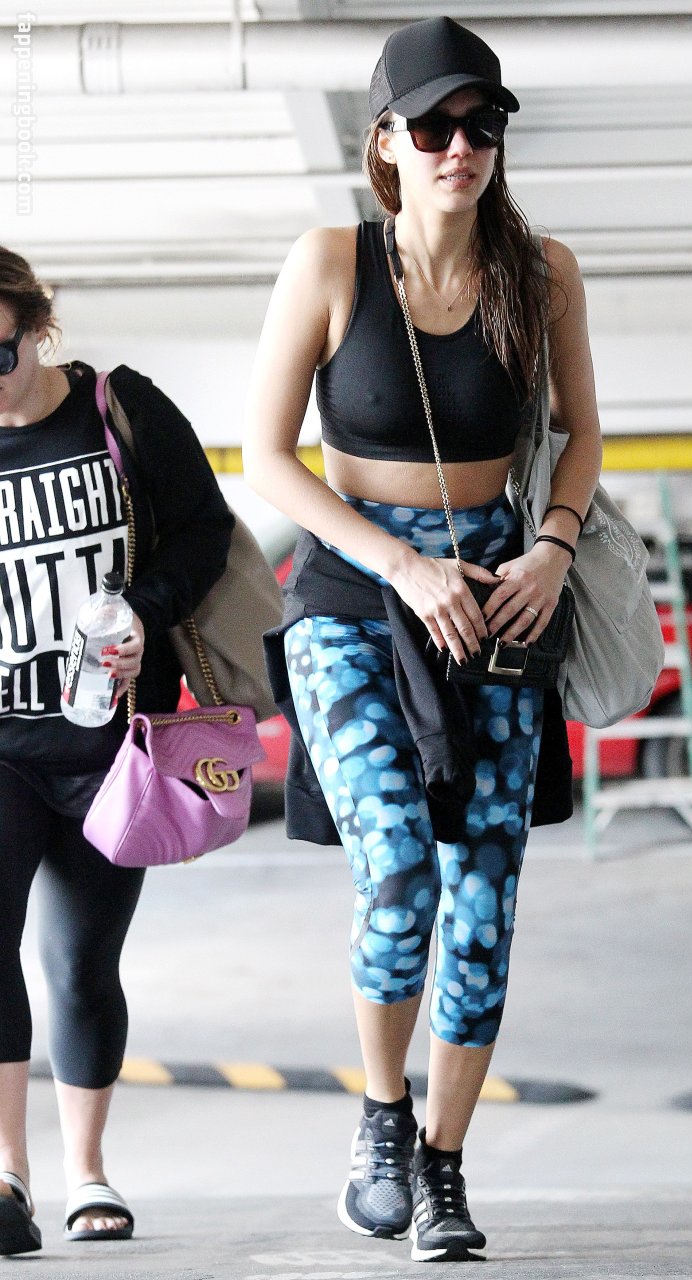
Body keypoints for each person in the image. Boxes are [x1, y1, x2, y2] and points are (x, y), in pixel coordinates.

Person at [244, 15, 601, 1264]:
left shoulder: (541, 272)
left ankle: (443, 1167)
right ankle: (382, 1116)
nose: (461, 145)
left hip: (498, 594)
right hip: (354, 592)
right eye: (433, 124)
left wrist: (550, 547)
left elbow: (582, 437)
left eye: (481, 122)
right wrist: (397, 562)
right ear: (385, 142)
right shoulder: (330, 263)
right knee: (397, 863)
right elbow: (264, 458)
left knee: (484, 892)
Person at [0, 247, 233, 1256]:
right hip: (1, 740)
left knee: (82, 962)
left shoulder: (118, 409)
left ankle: (87, 1170)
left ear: (36, 328)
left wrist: (145, 606)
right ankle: (6, 1174)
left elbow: (203, 531)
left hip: (112, 746)